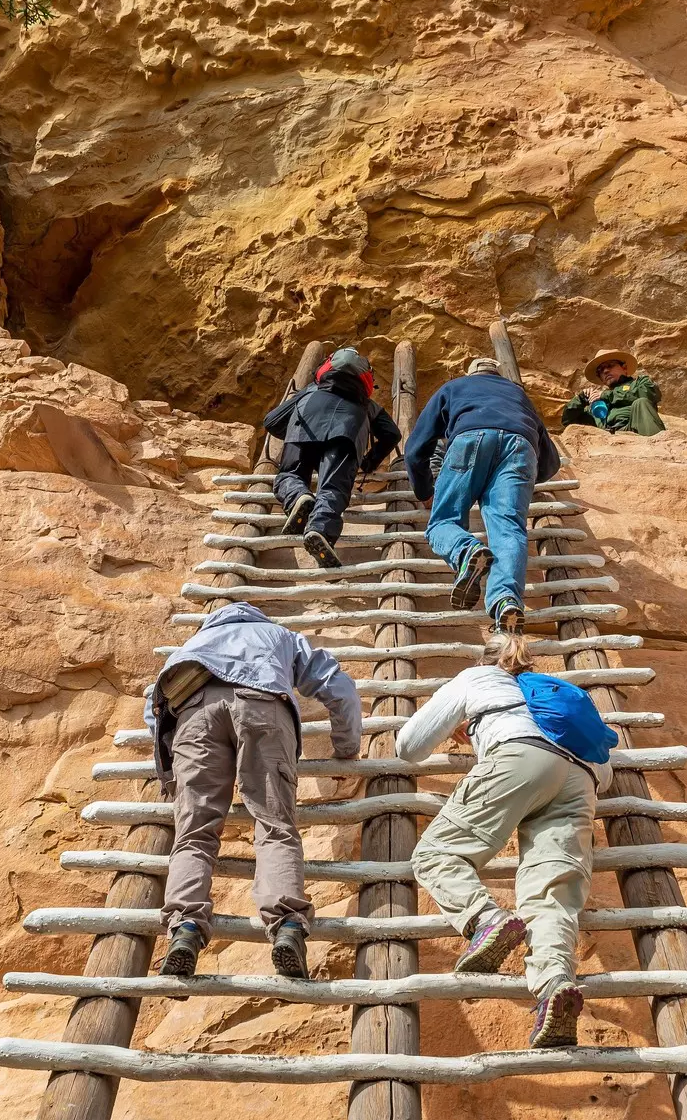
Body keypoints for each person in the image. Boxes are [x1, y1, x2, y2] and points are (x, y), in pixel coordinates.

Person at [399, 633, 618, 1049]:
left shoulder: (477, 678)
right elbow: (606, 773)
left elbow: (409, 747)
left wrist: (468, 727)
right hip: (581, 785)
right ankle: (555, 983)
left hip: (520, 757)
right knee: (550, 895)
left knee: (437, 853)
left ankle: (486, 919)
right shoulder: (558, 697)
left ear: (487, 659)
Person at [144, 602, 365, 982]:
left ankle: (185, 928)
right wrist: (346, 747)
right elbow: (336, 684)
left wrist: (171, 773)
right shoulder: (279, 636)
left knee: (194, 834)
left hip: (194, 718)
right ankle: (287, 926)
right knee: (275, 825)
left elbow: (155, 708)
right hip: (262, 706)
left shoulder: (195, 644)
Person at [403, 356, 561, 632]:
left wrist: (424, 490)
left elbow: (417, 445)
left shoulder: (455, 387)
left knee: (443, 522)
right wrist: (527, 481)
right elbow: (550, 461)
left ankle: (466, 551)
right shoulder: (518, 396)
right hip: (521, 449)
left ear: (471, 373)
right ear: (497, 375)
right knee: (509, 528)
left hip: (470, 438)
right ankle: (505, 600)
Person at [262, 347, 403, 568]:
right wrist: (369, 462)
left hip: (304, 426)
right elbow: (392, 434)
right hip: (346, 434)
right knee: (332, 490)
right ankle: (320, 530)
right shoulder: (366, 404)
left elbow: (271, 420)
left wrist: (292, 431)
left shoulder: (310, 391)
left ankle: (298, 495)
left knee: (290, 475)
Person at [560, 349, 665, 436]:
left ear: (624, 368)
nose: (605, 371)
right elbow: (568, 421)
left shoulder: (640, 382)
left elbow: (649, 393)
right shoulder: (598, 402)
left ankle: (659, 449)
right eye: (600, 371)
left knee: (641, 402)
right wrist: (580, 399)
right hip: (610, 439)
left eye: (610, 366)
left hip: (638, 430)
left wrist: (606, 395)